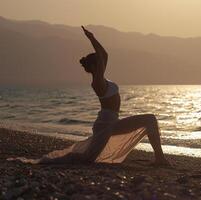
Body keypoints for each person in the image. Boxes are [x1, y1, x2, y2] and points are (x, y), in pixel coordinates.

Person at [9, 26, 170, 166]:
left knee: (150, 119)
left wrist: (92, 37)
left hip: (111, 122)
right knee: (87, 159)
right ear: (94, 66)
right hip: (106, 125)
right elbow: (102, 57)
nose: (102, 63)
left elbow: (104, 55)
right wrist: (92, 40)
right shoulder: (97, 82)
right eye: (98, 63)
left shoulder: (102, 78)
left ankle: (159, 158)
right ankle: (160, 158)